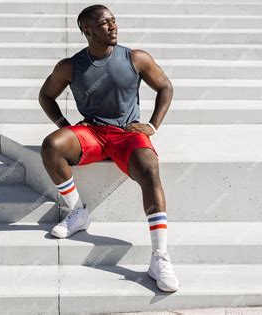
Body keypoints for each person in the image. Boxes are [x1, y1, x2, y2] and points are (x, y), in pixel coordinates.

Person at [38, 4, 179, 292]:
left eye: (114, 21)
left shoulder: (135, 57)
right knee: (52, 145)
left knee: (150, 169)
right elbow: (45, 95)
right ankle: (78, 212)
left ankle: (159, 258)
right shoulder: (70, 66)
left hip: (126, 133)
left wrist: (152, 126)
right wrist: (63, 123)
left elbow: (165, 86)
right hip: (91, 131)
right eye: (105, 23)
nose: (113, 26)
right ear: (87, 31)